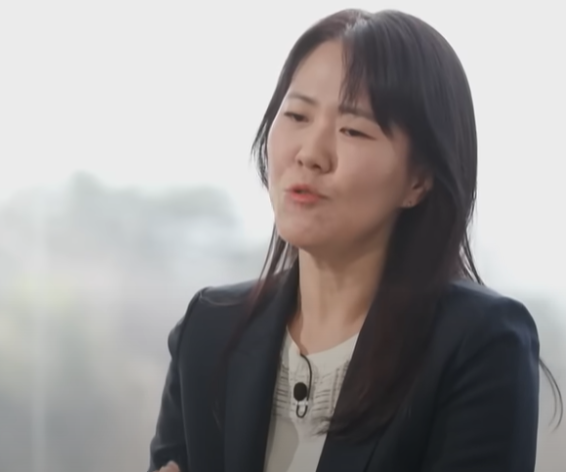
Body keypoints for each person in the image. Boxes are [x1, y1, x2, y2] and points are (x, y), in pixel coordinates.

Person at [148, 8, 562, 472]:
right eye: (297, 115)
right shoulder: (209, 329)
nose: (310, 154)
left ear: (419, 180)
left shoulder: (479, 345)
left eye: (353, 130)